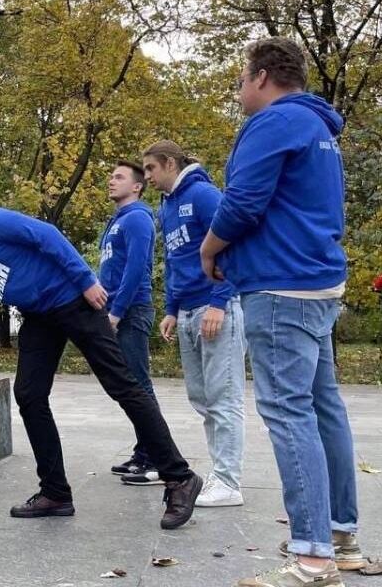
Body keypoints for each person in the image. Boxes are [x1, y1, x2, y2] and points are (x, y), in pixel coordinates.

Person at [0, 198, 203, 530]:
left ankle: (180, 477)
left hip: (73, 299)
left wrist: (86, 280)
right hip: (40, 317)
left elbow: (45, 235)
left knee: (122, 385)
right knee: (29, 395)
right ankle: (56, 493)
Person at [200, 38, 362, 586]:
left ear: (264, 77)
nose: (240, 91)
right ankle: (340, 537)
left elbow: (243, 203)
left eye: (241, 80)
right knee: (323, 408)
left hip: (279, 286)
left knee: (289, 412)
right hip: (318, 283)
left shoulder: (273, 123)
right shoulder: (318, 128)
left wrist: (210, 249)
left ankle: (313, 556)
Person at [144, 140, 246, 508]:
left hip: (214, 306)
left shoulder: (203, 194)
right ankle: (221, 473)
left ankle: (228, 481)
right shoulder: (167, 206)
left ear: (169, 163)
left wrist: (220, 301)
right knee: (202, 398)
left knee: (223, 397)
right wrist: (171, 308)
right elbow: (175, 260)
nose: (148, 178)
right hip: (187, 310)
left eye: (152, 169)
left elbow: (233, 242)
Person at [98, 161, 161, 485]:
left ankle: (156, 459)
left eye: (119, 177)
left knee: (138, 386)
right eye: (111, 176)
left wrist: (116, 312)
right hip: (117, 311)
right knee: (130, 387)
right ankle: (143, 451)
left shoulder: (137, 219)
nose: (112, 181)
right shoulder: (118, 221)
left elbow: (135, 271)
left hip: (131, 311)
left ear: (137, 186)